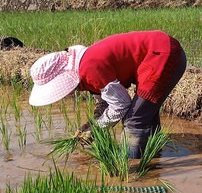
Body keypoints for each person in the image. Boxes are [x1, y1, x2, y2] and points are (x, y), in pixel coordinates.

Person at [28, 30, 187, 159]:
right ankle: (153, 156)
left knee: (133, 120)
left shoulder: (89, 68)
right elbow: (104, 102)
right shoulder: (83, 69)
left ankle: (131, 167)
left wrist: (97, 129)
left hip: (162, 55)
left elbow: (121, 104)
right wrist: (90, 125)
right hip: (161, 50)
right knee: (144, 113)